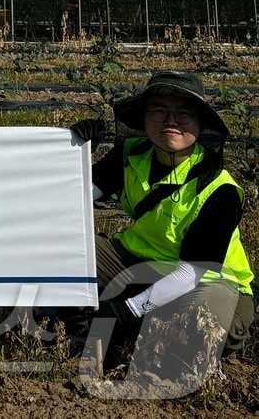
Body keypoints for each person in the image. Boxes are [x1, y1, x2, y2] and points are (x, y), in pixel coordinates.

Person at [71, 71, 253, 364]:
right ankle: (97, 325)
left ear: (199, 124)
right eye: (159, 110)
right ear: (144, 117)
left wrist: (124, 312)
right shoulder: (130, 155)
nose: (170, 121)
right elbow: (74, 198)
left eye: (183, 114)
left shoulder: (220, 190)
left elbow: (189, 275)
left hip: (210, 282)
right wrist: (76, 153)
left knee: (202, 325)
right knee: (64, 252)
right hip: (137, 262)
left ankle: (131, 334)